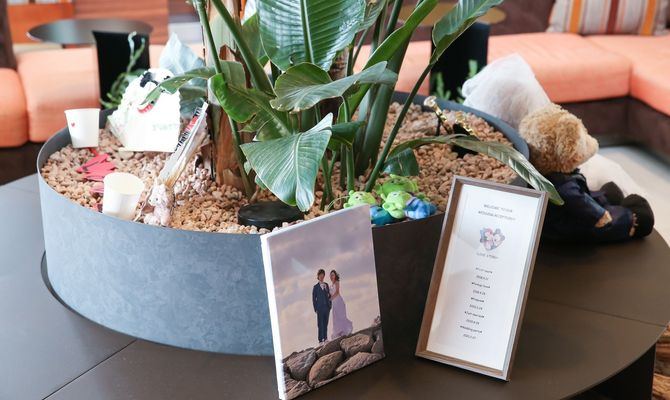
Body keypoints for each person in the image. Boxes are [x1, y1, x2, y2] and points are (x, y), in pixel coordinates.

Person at [329, 270, 353, 339]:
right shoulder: (330, 286)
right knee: (335, 318)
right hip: (334, 304)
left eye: (333, 275)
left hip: (339, 302)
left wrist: (330, 299)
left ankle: (343, 331)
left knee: (341, 317)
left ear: (335, 276)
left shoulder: (337, 282)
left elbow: (337, 292)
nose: (332, 276)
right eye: (331, 275)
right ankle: (338, 333)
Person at [312, 269, 331, 344]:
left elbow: (329, 295)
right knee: (320, 324)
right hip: (319, 308)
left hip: (327, 307)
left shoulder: (326, 285)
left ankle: (325, 338)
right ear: (318, 276)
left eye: (323, 276)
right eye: (320, 276)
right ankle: (320, 340)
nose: (322, 277)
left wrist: (330, 305)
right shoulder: (315, 287)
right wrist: (315, 308)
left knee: (326, 323)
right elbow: (314, 299)